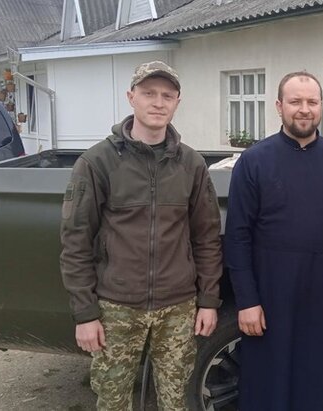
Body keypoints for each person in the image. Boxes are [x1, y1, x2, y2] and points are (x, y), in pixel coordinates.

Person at [60, 61, 223, 410]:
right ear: (131, 97)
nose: (158, 102)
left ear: (177, 102)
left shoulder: (192, 165)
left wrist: (208, 300)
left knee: (176, 401)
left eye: (167, 95)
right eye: (149, 93)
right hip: (117, 307)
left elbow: (207, 238)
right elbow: (75, 242)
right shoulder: (97, 162)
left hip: (178, 307)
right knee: (113, 400)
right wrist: (85, 313)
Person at [224, 71, 323, 411]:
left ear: (320, 106)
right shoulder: (255, 161)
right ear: (279, 107)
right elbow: (237, 237)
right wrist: (247, 301)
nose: (304, 109)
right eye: (295, 102)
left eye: (311, 102)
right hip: (272, 291)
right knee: (271, 381)